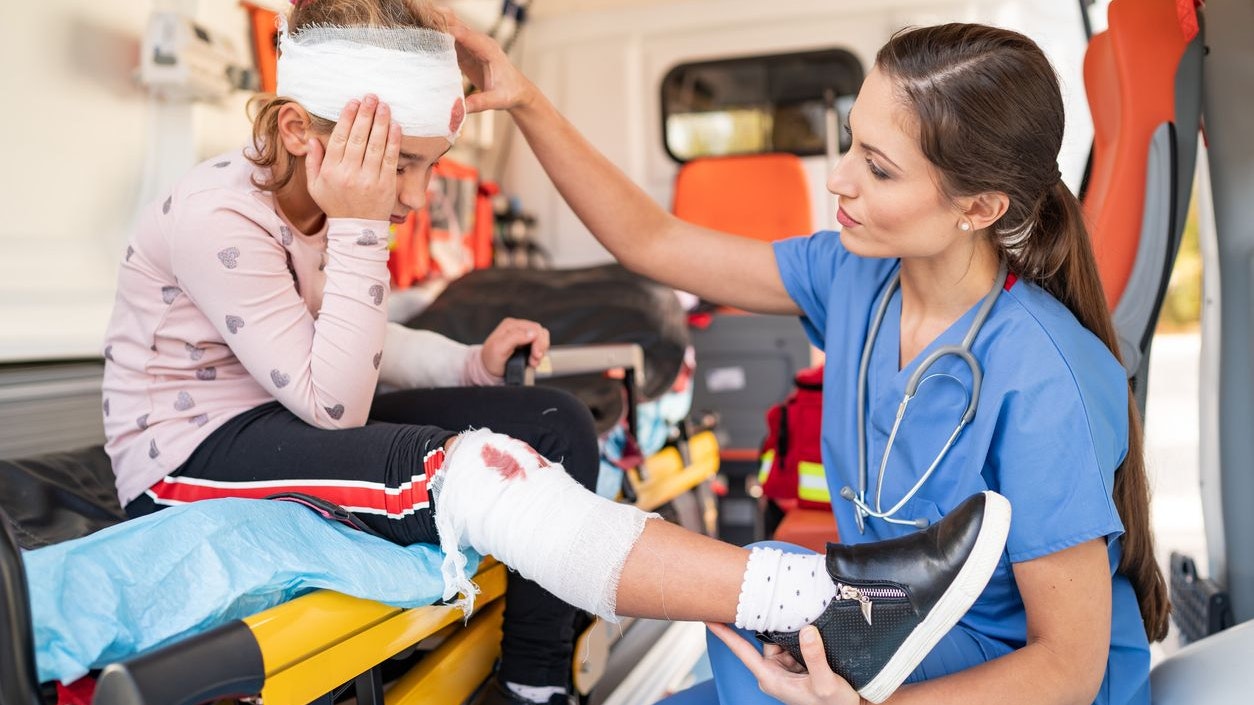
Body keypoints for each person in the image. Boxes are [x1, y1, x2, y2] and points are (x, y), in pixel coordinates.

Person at [99, 2, 1010, 704]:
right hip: (194, 456)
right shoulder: (221, 215)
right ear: (301, 130)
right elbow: (332, 402)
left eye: (425, 165)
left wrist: (464, 362)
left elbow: (341, 339)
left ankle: (536, 678)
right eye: (405, 166)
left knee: (552, 420)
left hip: (288, 408)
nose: (415, 193)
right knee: (460, 467)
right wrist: (362, 226)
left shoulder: (337, 200)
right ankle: (811, 593)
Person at [445, 14, 1170, 705]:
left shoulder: (1045, 375)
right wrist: (526, 102)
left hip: (996, 679)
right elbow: (652, 242)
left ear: (977, 208)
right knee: (747, 615)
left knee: (768, 592)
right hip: (880, 642)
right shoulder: (854, 276)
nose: (838, 178)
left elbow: (1066, 671)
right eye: (850, 140)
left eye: (879, 169)